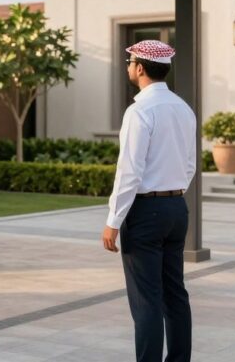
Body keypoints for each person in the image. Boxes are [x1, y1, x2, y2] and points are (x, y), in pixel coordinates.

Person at [101, 39, 196, 362]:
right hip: (176, 209)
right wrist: (173, 191)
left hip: (145, 213)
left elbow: (129, 171)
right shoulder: (184, 108)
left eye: (129, 62)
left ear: (140, 68)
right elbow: (190, 165)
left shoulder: (139, 110)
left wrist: (113, 221)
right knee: (175, 294)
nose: (128, 67)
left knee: (147, 301)